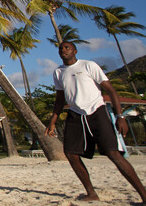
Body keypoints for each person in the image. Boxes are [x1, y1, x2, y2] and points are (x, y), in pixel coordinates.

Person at [45, 41, 146, 203]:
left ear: (75, 51)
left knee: (114, 154)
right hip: (75, 114)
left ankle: (144, 194)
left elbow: (111, 91)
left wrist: (120, 117)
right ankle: (91, 192)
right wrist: (52, 121)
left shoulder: (88, 66)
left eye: (67, 48)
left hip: (96, 112)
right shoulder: (58, 72)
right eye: (61, 48)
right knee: (71, 154)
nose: (63, 50)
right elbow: (59, 99)